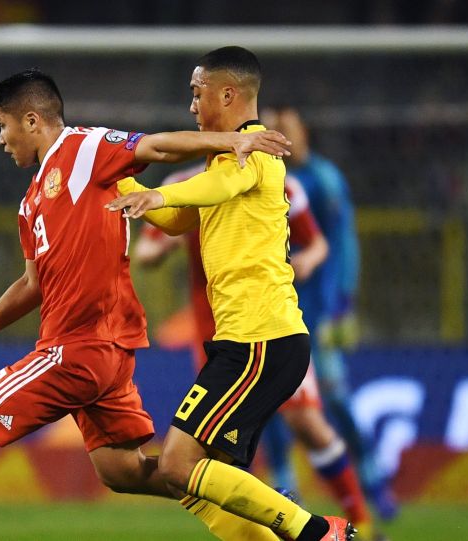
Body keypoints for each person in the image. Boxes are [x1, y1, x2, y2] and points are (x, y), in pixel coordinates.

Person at [0, 68, 296, 541]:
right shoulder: (31, 203)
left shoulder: (82, 148)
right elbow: (31, 285)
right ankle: (264, 504)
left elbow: (155, 147)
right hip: (101, 356)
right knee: (123, 471)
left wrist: (232, 141)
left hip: (77, 350)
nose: (1, 139)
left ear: (31, 120)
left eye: (2, 125)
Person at [107, 46, 355, 540]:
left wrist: (158, 192)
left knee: (177, 465)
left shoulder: (254, 151)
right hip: (250, 341)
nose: (191, 106)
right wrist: (112, 181)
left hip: (260, 340)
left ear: (227, 94)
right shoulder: (224, 160)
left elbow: (215, 188)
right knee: (207, 480)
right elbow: (178, 219)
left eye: (196, 93)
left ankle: (316, 531)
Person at [133, 165, 384, 540]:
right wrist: (165, 241)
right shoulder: (183, 184)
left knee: (306, 424)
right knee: (210, 459)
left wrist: (307, 261)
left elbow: (316, 243)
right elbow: (146, 251)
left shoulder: (269, 179)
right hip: (218, 338)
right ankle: (287, 515)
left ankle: (354, 525)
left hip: (266, 330)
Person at [264, 107, 399, 521]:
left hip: (319, 310)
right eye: (273, 128)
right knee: (270, 400)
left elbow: (341, 241)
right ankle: (284, 481)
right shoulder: (265, 179)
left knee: (335, 394)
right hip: (278, 309)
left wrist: (343, 300)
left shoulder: (322, 179)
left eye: (286, 128)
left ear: (303, 132)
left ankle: (371, 476)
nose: (280, 135)